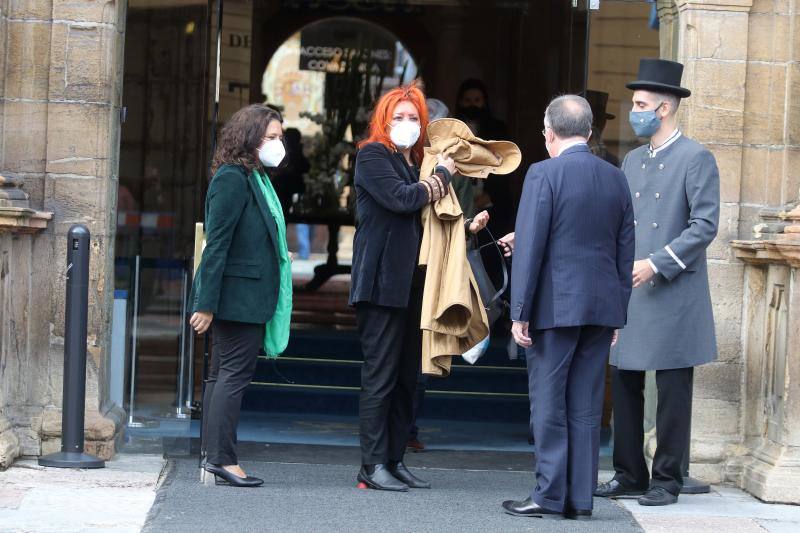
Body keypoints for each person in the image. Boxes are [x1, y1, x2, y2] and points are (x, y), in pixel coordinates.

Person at [502, 95, 635, 519]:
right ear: (591, 132)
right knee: (586, 405)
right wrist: (619, 312)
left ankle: (548, 493)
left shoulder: (543, 173)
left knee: (548, 401)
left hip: (554, 308)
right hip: (601, 307)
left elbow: (534, 246)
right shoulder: (616, 177)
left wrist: (518, 310)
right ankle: (579, 498)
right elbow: (624, 250)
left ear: (549, 133)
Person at [350, 84, 488, 492]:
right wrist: (443, 174)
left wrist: (464, 228)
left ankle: (394, 459)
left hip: (415, 285)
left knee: (408, 377)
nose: (407, 124)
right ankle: (371, 465)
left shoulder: (412, 162)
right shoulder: (372, 155)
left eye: (414, 118)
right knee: (380, 376)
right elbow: (402, 200)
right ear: (383, 120)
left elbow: (423, 228)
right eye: (400, 117)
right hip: (380, 285)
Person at [595, 59, 720, 507]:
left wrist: (657, 263)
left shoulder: (696, 157)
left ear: (664, 109)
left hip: (671, 290)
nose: (636, 111)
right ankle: (629, 472)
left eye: (641, 104)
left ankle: (667, 479)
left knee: (672, 390)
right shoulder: (631, 159)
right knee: (625, 382)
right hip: (630, 289)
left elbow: (705, 225)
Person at [189, 104, 292, 488]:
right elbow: (216, 244)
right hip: (236, 297)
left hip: (246, 293)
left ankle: (214, 455)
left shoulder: (256, 177)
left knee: (222, 376)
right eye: (271, 138)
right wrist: (205, 303)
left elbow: (251, 238)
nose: (278, 144)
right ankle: (222, 459)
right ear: (249, 138)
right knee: (231, 377)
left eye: (280, 138)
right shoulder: (232, 178)